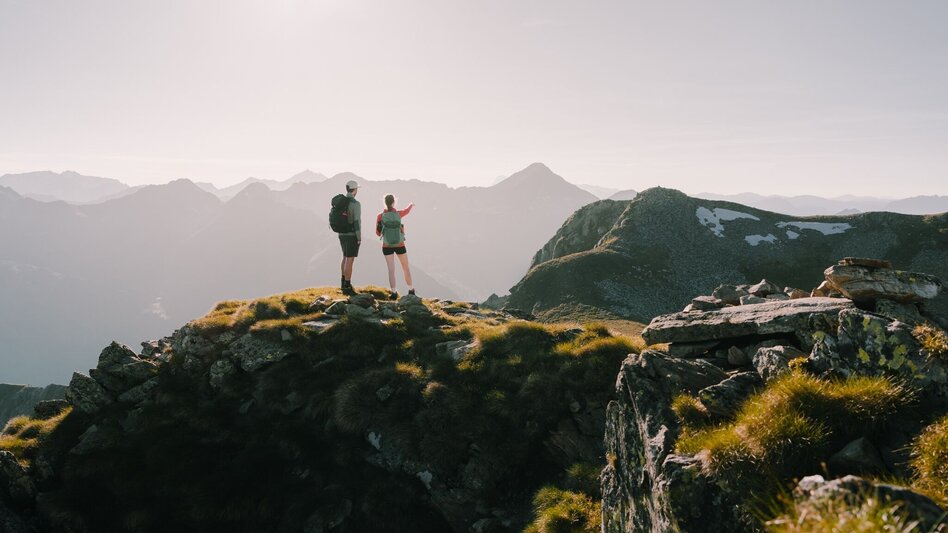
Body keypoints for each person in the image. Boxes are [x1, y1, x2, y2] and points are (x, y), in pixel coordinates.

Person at [375, 194, 414, 299]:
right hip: (400, 244)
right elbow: (407, 210)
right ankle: (411, 290)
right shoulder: (398, 214)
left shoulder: (380, 216)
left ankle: (393, 293)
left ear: (385, 202)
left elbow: (378, 233)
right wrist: (411, 205)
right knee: (405, 268)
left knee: (391, 270)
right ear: (394, 202)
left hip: (387, 245)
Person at [339, 180, 362, 295]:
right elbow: (357, 221)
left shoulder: (342, 202)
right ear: (354, 190)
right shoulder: (355, 204)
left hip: (341, 234)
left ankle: (343, 282)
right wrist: (359, 237)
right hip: (351, 234)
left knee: (344, 257)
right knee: (350, 259)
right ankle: (348, 285)